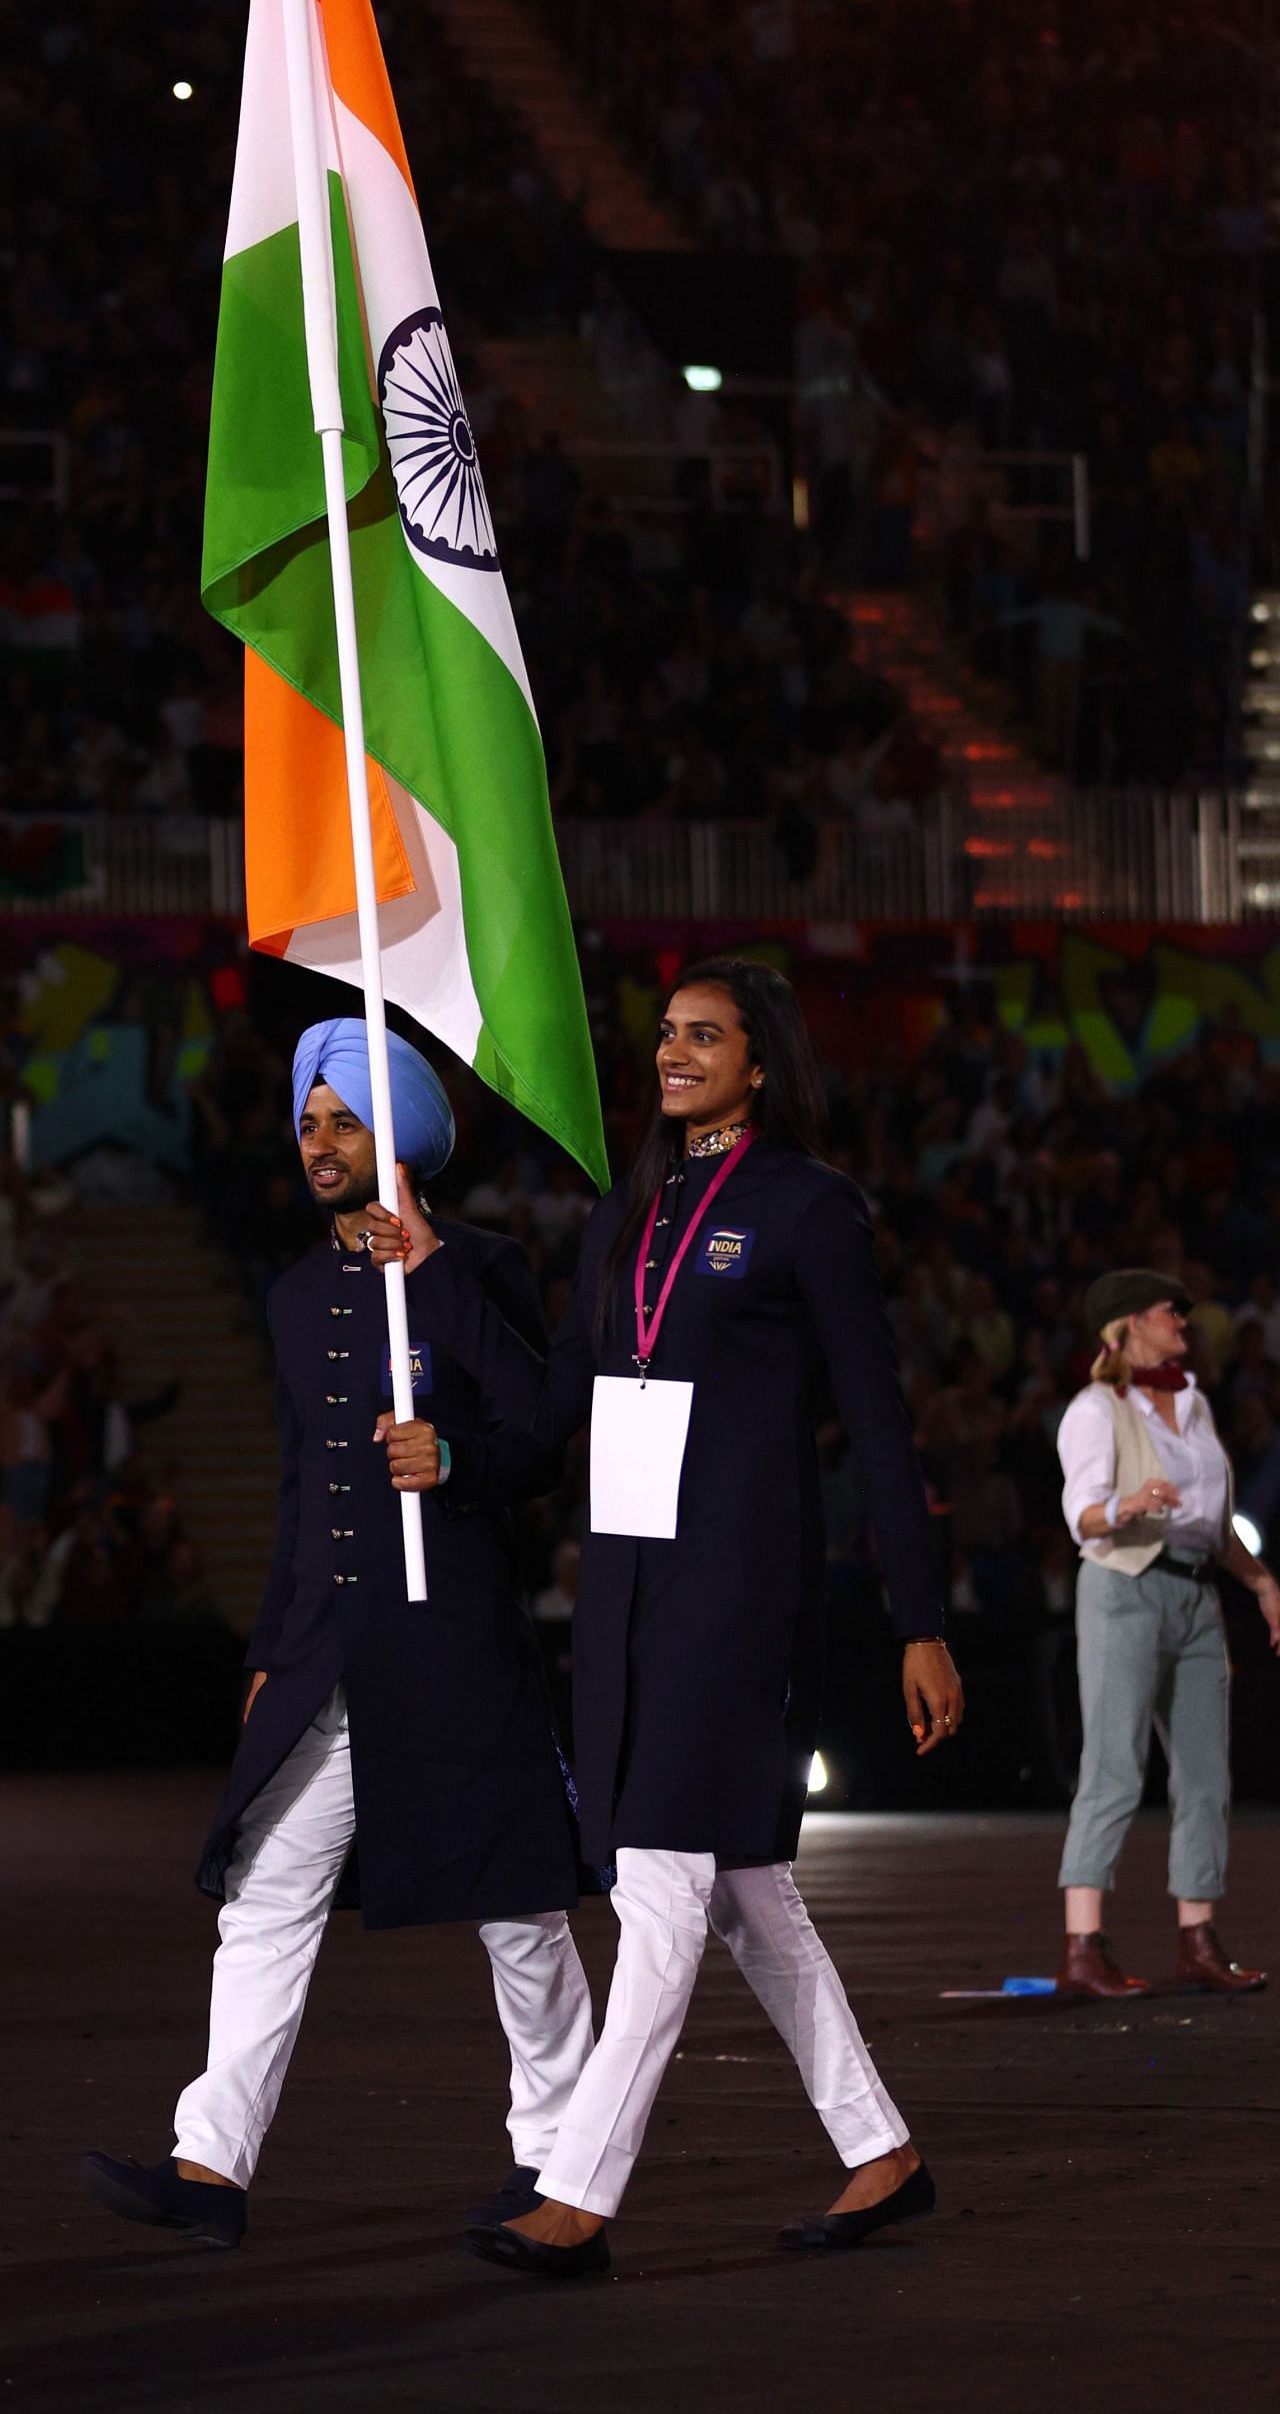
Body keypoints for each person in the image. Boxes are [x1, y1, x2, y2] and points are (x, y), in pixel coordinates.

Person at [370, 956, 963, 2277]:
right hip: (626, 1584)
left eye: (707, 1034)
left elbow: (877, 1420)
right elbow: (549, 1411)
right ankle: (881, 2149)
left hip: (740, 1588)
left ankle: (579, 2185)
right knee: (746, 1888)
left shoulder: (812, 1208)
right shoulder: (632, 1213)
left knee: (660, 1881)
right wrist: (443, 1291)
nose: (674, 1052)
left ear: (762, 1062)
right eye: (666, 1033)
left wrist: (921, 1618)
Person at [82, 1016, 594, 2251]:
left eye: (343, 1121)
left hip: (454, 1639)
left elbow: (544, 1434)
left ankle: (564, 2167)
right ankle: (211, 2167)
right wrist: (271, 1648)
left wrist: (456, 1454)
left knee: (520, 1912)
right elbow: (302, 1486)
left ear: (399, 1139)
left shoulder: (474, 1267)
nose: (318, 1142)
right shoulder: (296, 1292)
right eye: (310, 1122)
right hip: (326, 1651)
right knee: (263, 1897)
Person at [1053, 1269, 1280, 1999]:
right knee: (1115, 1766)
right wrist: (1128, 1503)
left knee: (1208, 1774)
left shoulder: (1193, 1404)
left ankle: (1198, 1938)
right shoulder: (1097, 1408)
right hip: (1124, 1583)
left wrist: (1262, 1582)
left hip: (1194, 1594)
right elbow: (1083, 1515)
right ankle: (1083, 1946)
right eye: (1167, 1314)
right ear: (1126, 1327)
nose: (1183, 1323)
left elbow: (1214, 1527)